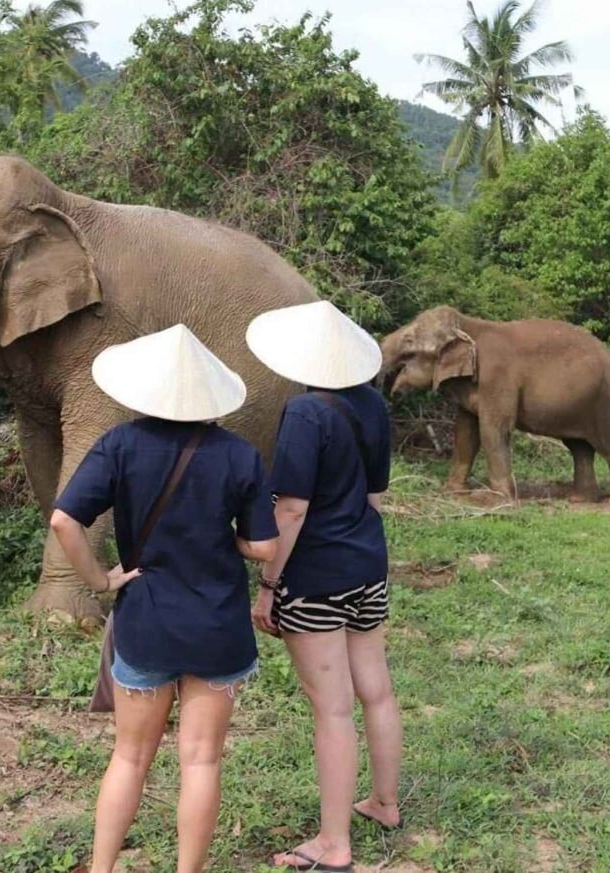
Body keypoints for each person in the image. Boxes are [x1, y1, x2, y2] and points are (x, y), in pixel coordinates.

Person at [49, 325, 278, 873]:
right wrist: (231, 539)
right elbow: (265, 546)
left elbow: (63, 521)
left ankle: (101, 868)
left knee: (129, 758)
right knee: (201, 761)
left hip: (146, 623)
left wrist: (100, 581)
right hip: (217, 628)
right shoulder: (239, 455)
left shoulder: (119, 444)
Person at [245, 300, 404, 873]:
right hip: (368, 564)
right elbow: (374, 499)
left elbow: (289, 508)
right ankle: (384, 802)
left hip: (315, 577)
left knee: (332, 709)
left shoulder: (306, 412)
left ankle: (333, 845)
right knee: (376, 690)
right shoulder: (374, 406)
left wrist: (268, 583)